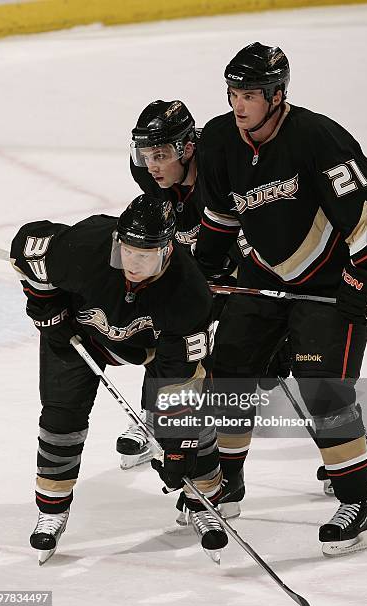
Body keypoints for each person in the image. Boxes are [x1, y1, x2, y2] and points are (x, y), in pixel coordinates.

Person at [194, 42, 367, 555]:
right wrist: (206, 279)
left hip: (328, 286)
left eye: (249, 95)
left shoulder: (317, 137)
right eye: (233, 93)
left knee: (322, 388)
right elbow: (220, 221)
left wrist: (361, 280)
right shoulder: (219, 140)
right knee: (229, 372)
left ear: (277, 95)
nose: (238, 105)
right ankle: (228, 481)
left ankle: (357, 502)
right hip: (261, 276)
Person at [10, 195, 228, 564]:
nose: (133, 264)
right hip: (83, 335)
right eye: (127, 252)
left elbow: (180, 380)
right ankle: (52, 509)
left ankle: (203, 498)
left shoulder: (188, 293)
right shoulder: (85, 247)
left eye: (145, 256)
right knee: (61, 415)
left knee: (188, 419)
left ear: (167, 251)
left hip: (154, 347)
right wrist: (45, 306)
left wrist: (177, 445)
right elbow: (27, 248)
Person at [118, 99, 290, 520]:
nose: (151, 166)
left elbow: (260, 237)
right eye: (146, 156)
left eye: (160, 155)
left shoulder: (222, 174)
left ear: (187, 149)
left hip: (251, 280)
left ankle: (352, 453)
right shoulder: (150, 175)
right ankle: (159, 419)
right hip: (200, 278)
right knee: (163, 328)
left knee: (293, 363)